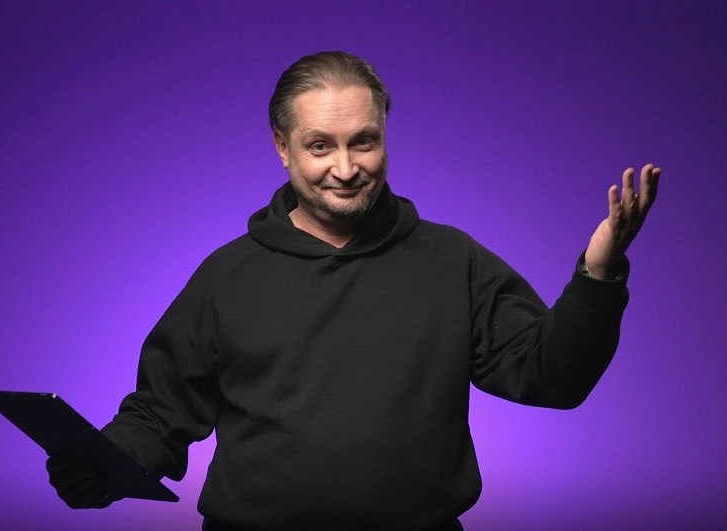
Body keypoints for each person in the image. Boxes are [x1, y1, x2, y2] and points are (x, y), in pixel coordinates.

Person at [47, 51, 661, 530]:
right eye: (320, 146)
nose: (345, 169)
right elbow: (161, 410)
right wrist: (102, 463)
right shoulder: (228, 275)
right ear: (282, 148)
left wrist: (598, 272)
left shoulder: (454, 261)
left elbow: (553, 377)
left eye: (363, 141)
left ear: (384, 136)